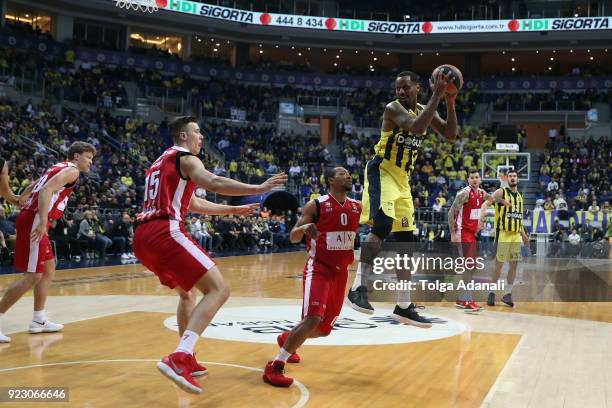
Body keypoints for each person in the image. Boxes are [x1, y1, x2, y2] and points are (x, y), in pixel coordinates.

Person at [133, 116, 286, 394]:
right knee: (219, 290)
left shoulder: (159, 163)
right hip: (165, 231)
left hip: (142, 237)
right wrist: (257, 189)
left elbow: (192, 202)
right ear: (182, 136)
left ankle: (186, 356)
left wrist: (231, 210)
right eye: (197, 132)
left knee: (187, 294)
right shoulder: (187, 159)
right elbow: (212, 181)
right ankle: (179, 356)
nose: (201, 137)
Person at [346, 69, 458, 326]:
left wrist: (449, 101)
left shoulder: (425, 107)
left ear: (418, 87)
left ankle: (404, 304)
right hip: (382, 171)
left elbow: (451, 134)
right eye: (398, 87)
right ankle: (357, 288)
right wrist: (437, 98)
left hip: (403, 179)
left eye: (406, 87)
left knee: (407, 241)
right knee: (383, 226)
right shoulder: (392, 108)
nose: (400, 91)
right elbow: (417, 127)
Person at [263, 167, 360, 387]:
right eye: (343, 173)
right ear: (331, 180)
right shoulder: (316, 205)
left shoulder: (357, 206)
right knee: (313, 318)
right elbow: (293, 237)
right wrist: (305, 227)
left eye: (349, 173)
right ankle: (275, 366)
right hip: (319, 268)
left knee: (324, 330)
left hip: (341, 273)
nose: (349, 176)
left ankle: (288, 338)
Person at [0, 142, 96, 343]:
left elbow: (36, 184)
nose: (91, 162)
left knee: (48, 268)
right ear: (76, 156)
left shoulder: (57, 167)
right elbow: (45, 190)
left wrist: (22, 197)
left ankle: (39, 319)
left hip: (32, 215)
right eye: (88, 157)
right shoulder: (72, 170)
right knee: (33, 275)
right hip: (36, 218)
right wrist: (43, 220)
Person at [448, 169, 509, 312]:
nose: (475, 180)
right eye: (472, 178)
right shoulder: (463, 193)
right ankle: (468, 300)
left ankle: (462, 299)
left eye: (477, 177)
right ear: (468, 180)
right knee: (468, 266)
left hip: (471, 233)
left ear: (480, 179)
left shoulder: (480, 192)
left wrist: (504, 201)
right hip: (462, 233)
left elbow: (491, 198)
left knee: (471, 266)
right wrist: (453, 233)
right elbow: (451, 212)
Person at [479, 169, 529, 308]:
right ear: (507, 178)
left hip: (515, 235)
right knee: (499, 265)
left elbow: (519, 219)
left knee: (514, 265)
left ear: (518, 179)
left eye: (515, 176)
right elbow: (486, 202)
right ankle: (492, 292)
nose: (513, 178)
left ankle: (507, 294)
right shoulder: (501, 192)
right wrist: (481, 218)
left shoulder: (519, 197)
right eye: (510, 176)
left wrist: (524, 235)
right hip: (503, 234)